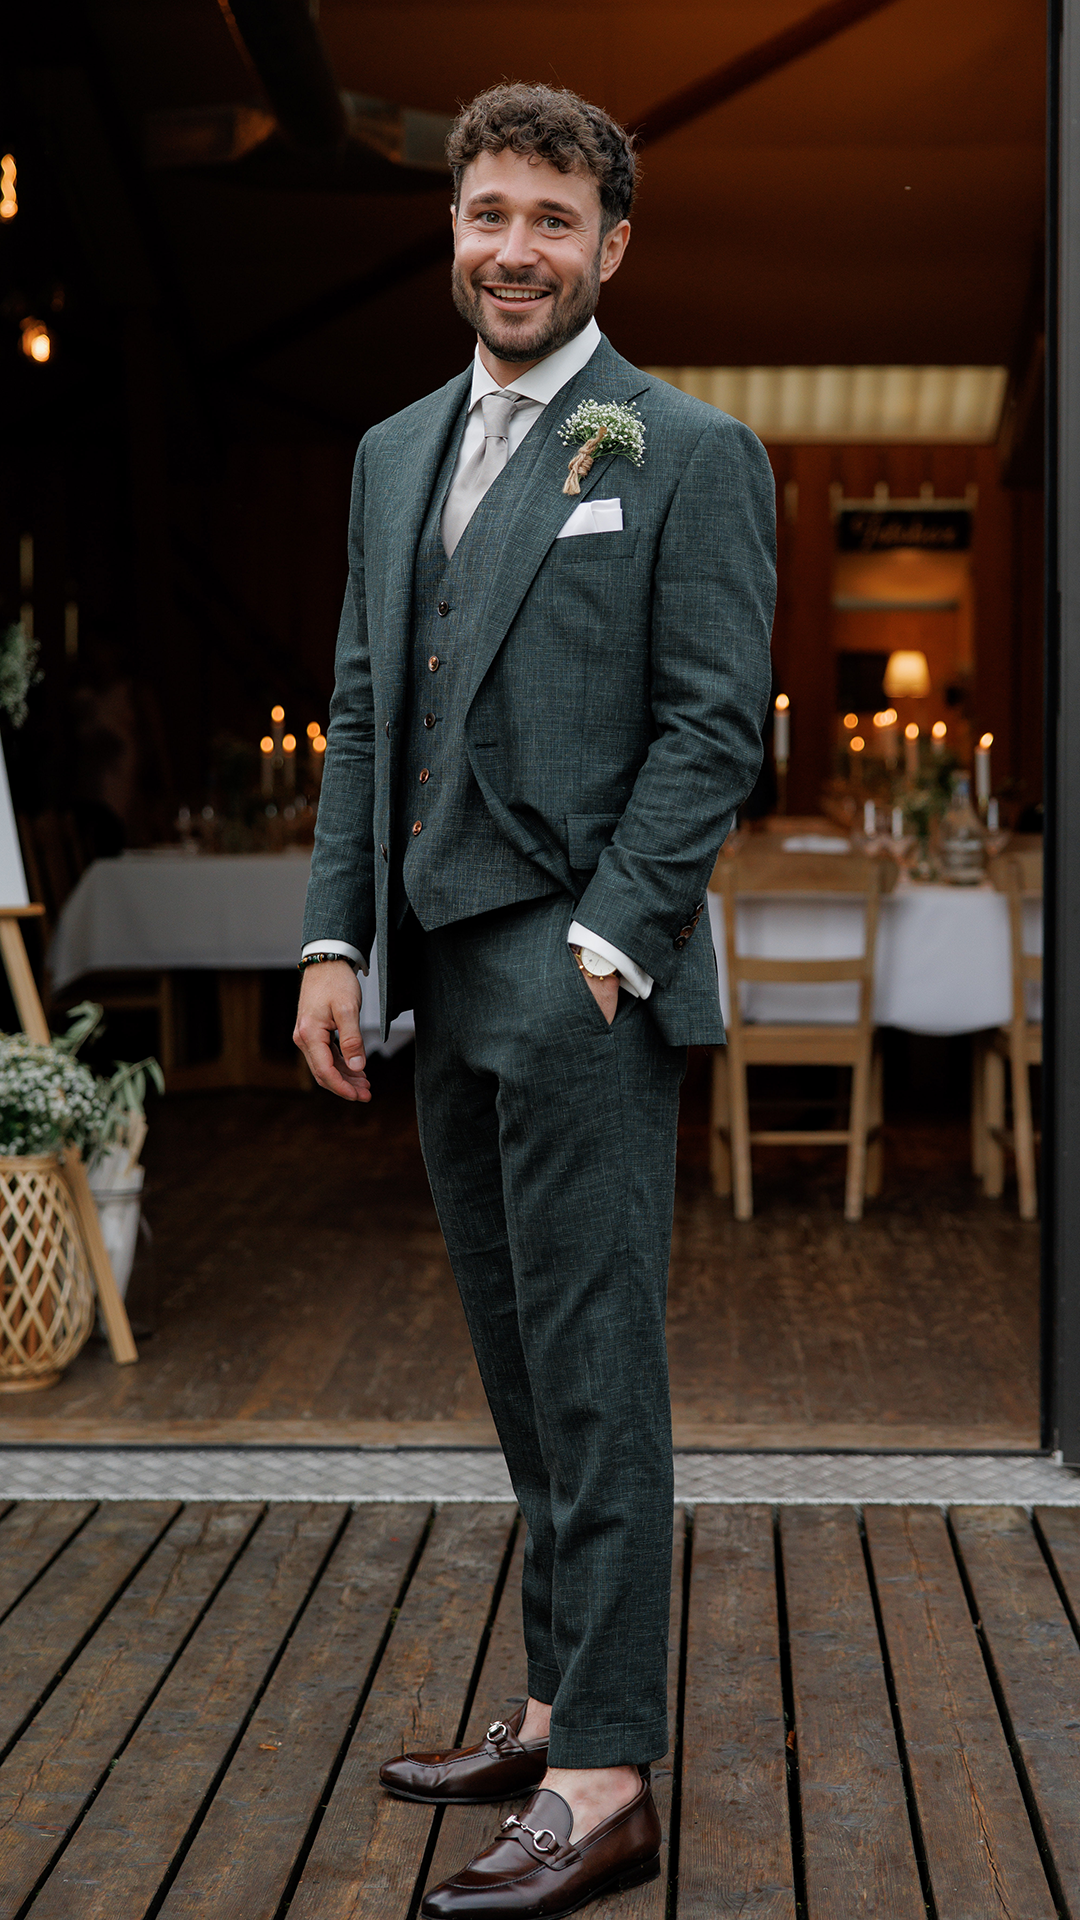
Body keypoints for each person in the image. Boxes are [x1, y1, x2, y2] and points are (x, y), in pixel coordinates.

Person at [293, 81, 775, 1920]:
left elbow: (712, 729)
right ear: (455, 230)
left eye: (553, 222)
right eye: (490, 214)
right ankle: (564, 1695)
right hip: (433, 969)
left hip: (584, 982)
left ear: (611, 247)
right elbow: (365, 711)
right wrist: (335, 943)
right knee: (521, 1373)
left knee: (598, 1377)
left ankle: (607, 1779)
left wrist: (608, 944)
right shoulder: (390, 452)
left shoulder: (687, 451)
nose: (516, 249)